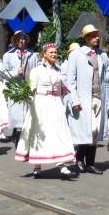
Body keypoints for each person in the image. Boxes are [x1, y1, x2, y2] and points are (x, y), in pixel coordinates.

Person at [15, 43, 79, 180]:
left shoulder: (59, 70)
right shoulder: (36, 71)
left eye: (56, 52)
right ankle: (37, 165)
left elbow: (65, 88)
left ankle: (62, 164)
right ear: (44, 54)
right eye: (51, 52)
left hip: (55, 103)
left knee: (59, 132)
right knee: (40, 132)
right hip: (41, 103)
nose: (54, 54)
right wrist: (28, 97)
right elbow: (32, 88)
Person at [65, 24, 109, 174]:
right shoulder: (76, 55)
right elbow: (70, 81)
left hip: (98, 97)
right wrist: (74, 100)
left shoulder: (101, 55)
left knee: (95, 133)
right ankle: (79, 157)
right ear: (86, 38)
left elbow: (103, 77)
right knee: (89, 130)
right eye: (94, 35)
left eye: (97, 35)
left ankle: (90, 163)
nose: (97, 38)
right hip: (84, 99)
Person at [3, 30, 38, 146]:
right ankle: (18, 139)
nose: (20, 41)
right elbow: (3, 73)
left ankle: (27, 138)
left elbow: (36, 70)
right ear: (14, 40)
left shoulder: (32, 55)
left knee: (28, 115)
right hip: (16, 89)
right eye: (18, 38)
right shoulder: (8, 55)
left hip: (29, 88)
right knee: (18, 117)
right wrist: (15, 72)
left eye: (22, 38)